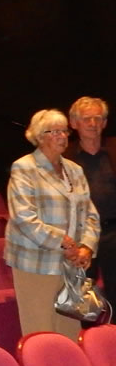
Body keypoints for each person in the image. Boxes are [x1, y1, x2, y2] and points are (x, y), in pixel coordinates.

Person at [5, 109, 99, 340]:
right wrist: (64, 243)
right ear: (39, 136)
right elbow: (23, 217)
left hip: (71, 264)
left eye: (64, 131)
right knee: (41, 331)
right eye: (54, 132)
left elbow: (91, 214)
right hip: (36, 262)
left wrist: (86, 247)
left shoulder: (74, 170)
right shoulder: (24, 168)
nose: (62, 136)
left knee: (69, 332)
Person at [66, 97, 115, 298]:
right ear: (74, 123)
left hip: (114, 231)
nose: (93, 124)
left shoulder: (114, 149)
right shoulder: (64, 156)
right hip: (81, 237)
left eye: (98, 118)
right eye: (87, 119)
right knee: (83, 299)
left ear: (105, 123)